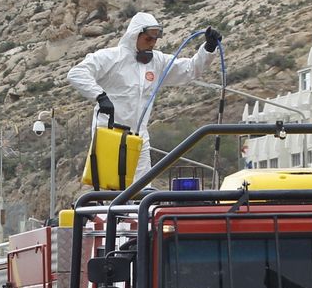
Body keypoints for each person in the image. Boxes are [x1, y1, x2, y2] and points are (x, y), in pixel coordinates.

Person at [66, 12, 221, 170]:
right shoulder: (111, 57)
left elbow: (190, 69)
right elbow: (77, 73)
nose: (152, 43)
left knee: (143, 191)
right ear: (135, 35)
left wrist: (208, 48)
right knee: (110, 190)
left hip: (139, 139)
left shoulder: (158, 62)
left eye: (155, 39)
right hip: (109, 136)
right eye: (148, 38)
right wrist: (100, 96)